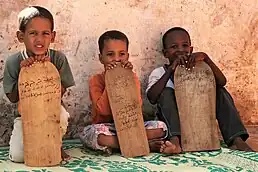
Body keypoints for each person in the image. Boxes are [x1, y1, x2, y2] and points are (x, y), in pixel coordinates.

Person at [146, 27, 253, 153]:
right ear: (165, 53)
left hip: (198, 118)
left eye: (184, 45)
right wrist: (171, 70)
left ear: (191, 49)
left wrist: (207, 59)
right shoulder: (160, 72)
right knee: (166, 92)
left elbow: (222, 82)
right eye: (174, 47)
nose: (180, 50)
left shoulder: (201, 69)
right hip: (173, 124)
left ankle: (236, 139)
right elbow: (152, 98)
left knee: (219, 91)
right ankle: (175, 142)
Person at [79, 30, 175, 154]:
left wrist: (127, 78)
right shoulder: (96, 80)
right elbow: (103, 111)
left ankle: (121, 144)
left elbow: (136, 107)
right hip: (108, 127)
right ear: (101, 58)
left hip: (131, 126)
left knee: (161, 128)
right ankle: (140, 144)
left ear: (128, 57)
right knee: (97, 136)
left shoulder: (132, 77)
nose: (117, 59)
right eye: (110, 54)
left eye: (122, 54)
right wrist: (112, 80)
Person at [3, 6, 75, 162]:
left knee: (62, 116)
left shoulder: (58, 59)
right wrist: (25, 75)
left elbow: (62, 91)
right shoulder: (14, 62)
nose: (39, 40)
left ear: (53, 36)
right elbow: (12, 98)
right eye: (33, 33)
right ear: (21, 36)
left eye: (45, 34)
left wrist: (48, 73)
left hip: (52, 113)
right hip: (25, 116)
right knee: (18, 156)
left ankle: (55, 144)